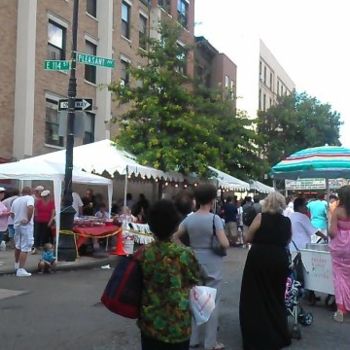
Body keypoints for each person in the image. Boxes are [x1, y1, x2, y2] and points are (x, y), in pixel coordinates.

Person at [138, 199, 201, 350]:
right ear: (175, 226)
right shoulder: (185, 254)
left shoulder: (144, 253)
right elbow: (194, 279)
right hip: (178, 323)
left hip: (150, 321)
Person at [173, 184, 229, 350]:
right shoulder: (214, 219)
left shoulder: (190, 219)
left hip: (194, 258)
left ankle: (193, 339)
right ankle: (210, 342)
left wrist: (187, 249)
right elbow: (225, 243)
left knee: (196, 298)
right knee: (213, 301)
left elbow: (175, 236)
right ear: (212, 200)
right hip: (213, 262)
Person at [239, 192, 291, 350]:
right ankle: (277, 330)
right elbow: (288, 239)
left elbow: (248, 237)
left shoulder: (260, 218)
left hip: (259, 257)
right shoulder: (286, 221)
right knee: (276, 293)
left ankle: (257, 333)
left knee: (255, 294)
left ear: (266, 203)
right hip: (279, 258)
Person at [329, 185, 350, 322]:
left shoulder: (337, 211)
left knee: (340, 278)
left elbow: (332, 232)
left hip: (340, 249)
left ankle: (341, 309)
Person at [11, 187, 35, 277]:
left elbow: (12, 213)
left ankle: (16, 264)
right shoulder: (30, 198)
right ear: (30, 192)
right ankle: (21, 269)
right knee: (25, 246)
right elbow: (30, 207)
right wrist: (28, 219)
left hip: (17, 225)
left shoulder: (16, 200)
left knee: (18, 245)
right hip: (26, 226)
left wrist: (16, 220)